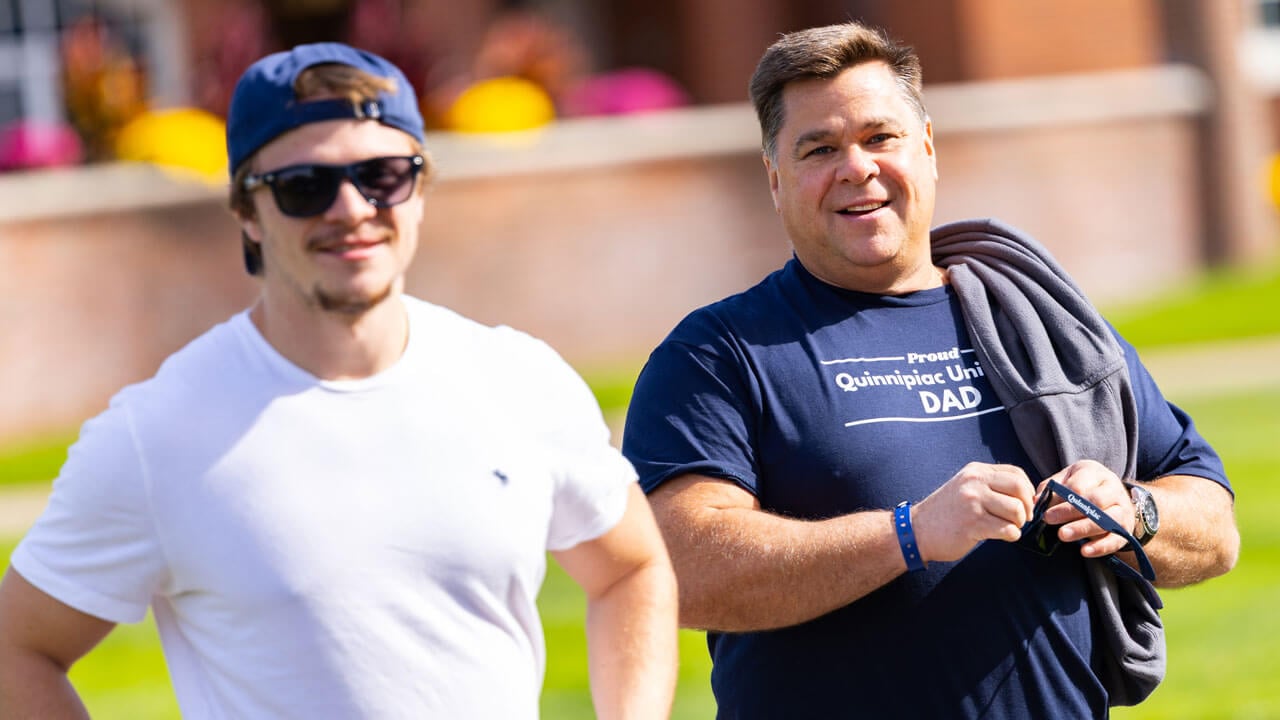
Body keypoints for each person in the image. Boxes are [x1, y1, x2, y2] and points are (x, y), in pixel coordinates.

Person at [0, 42, 678, 719]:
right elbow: (17, 651)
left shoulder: (520, 380)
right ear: (246, 213)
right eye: (304, 187)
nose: (351, 208)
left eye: (383, 175)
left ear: (419, 191)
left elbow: (630, 568)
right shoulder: (156, 435)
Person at [621, 21, 1239, 718]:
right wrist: (909, 534)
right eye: (819, 148)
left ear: (928, 149)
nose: (856, 168)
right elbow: (680, 570)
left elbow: (1215, 526)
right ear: (775, 179)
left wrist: (1134, 510)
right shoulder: (718, 354)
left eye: (880, 137)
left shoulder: (1042, 322)